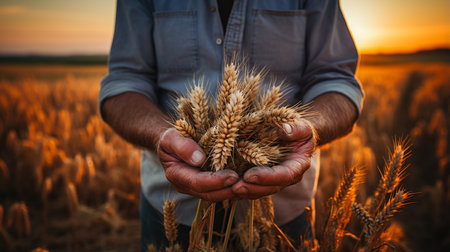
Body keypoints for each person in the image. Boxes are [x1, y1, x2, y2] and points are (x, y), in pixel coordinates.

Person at [99, 0, 363, 250]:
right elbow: (125, 82)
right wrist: (161, 136)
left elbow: (337, 79)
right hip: (172, 208)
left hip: (283, 214)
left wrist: (309, 128)